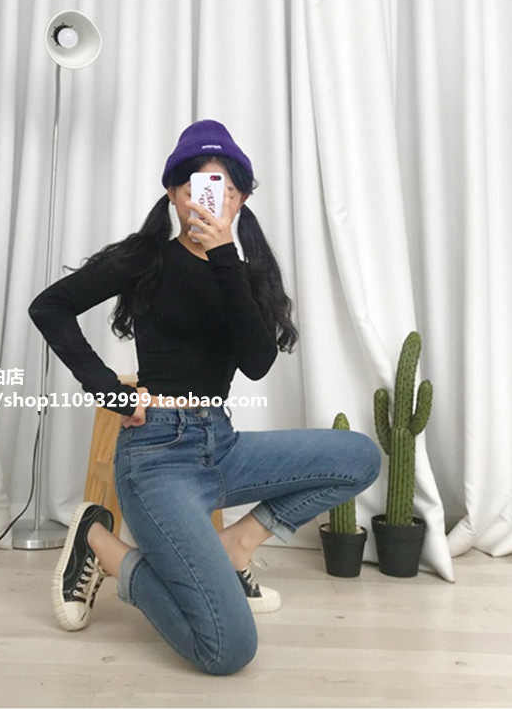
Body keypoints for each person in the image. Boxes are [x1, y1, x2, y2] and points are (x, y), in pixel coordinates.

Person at [27, 117, 381, 677]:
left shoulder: (242, 273)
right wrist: (111, 393)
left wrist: (224, 259)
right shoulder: (146, 259)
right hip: (157, 457)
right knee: (228, 649)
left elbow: (258, 364)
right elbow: (49, 306)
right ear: (174, 194)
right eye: (196, 187)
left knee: (359, 456)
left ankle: (237, 545)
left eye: (225, 190)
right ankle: (100, 544)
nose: (209, 201)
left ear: (239, 201)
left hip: (223, 447)